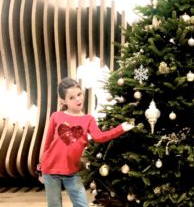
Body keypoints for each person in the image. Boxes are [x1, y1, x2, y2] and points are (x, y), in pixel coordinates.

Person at [38, 77, 134, 207]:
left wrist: (121, 128)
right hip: (50, 170)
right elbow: (48, 142)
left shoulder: (88, 119)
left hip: (72, 172)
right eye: (71, 97)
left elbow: (99, 137)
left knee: (82, 204)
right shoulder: (56, 116)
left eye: (79, 94)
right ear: (63, 101)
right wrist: (41, 167)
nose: (78, 99)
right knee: (54, 205)